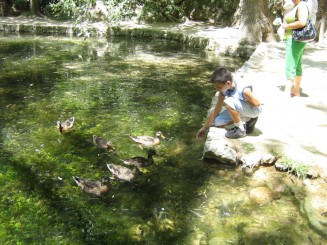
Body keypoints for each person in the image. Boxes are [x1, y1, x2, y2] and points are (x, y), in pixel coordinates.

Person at [196, 67, 263, 140]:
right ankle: (246, 121)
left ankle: (241, 129)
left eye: (219, 86)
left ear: (228, 83)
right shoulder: (224, 90)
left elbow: (257, 104)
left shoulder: (243, 90)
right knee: (218, 121)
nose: (217, 89)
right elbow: (217, 108)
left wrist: (239, 104)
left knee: (229, 102)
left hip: (254, 109)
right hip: (242, 108)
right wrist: (204, 128)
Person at [281, 0, 312, 97]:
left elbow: (302, 22)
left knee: (290, 65)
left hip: (294, 40)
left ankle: (287, 92)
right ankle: (296, 90)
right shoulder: (298, 5)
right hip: (296, 40)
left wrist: (286, 26)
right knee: (297, 65)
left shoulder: (302, 6)